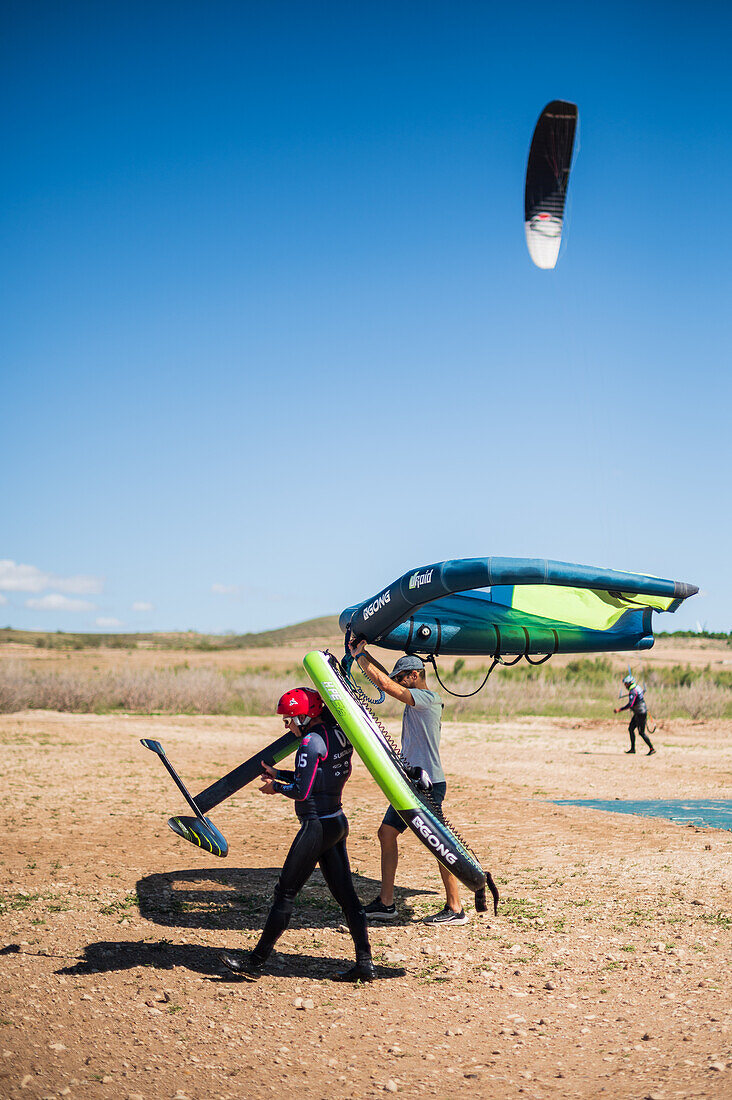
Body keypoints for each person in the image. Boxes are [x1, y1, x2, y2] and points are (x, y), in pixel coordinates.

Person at [219, 687, 375, 981]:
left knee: (285, 892)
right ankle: (365, 964)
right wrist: (278, 774)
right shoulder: (335, 733)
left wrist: (275, 787)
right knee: (348, 898)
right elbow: (318, 777)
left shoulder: (310, 741)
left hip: (316, 826)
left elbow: (303, 791)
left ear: (305, 716)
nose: (287, 725)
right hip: (336, 821)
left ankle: (255, 961)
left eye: (289, 719)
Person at [348, 639, 467, 925]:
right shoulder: (417, 698)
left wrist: (360, 657)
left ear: (415, 675)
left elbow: (388, 687)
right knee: (386, 834)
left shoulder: (428, 699)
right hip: (411, 783)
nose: (399, 682)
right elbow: (388, 681)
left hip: (428, 784)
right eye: (399, 678)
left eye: (403, 678)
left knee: (438, 844)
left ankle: (455, 909)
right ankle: (387, 904)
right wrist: (363, 655)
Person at [614, 674, 655, 756]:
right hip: (638, 712)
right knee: (631, 728)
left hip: (640, 713)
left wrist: (620, 709)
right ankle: (633, 749)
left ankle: (652, 748)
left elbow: (630, 704)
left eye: (625, 684)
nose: (625, 686)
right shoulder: (637, 687)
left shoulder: (633, 691)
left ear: (629, 683)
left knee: (641, 732)